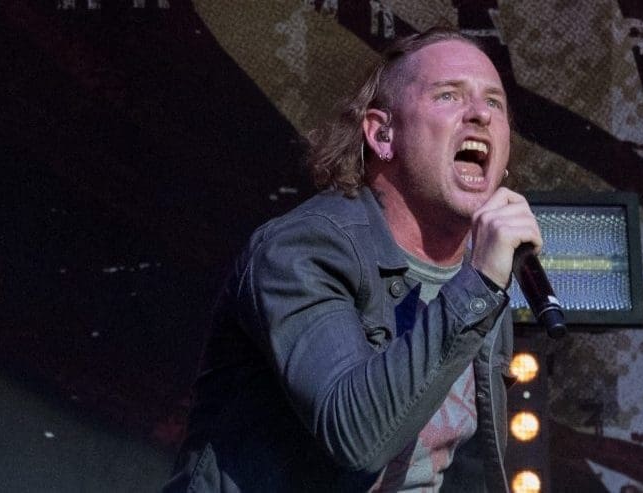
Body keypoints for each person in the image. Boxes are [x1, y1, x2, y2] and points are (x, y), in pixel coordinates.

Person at [164, 27, 542, 492]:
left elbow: (459, 462)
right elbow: (356, 436)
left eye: (494, 103)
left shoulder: (481, 276)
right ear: (382, 134)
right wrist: (478, 286)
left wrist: (480, 285)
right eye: (448, 95)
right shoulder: (301, 250)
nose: (481, 114)